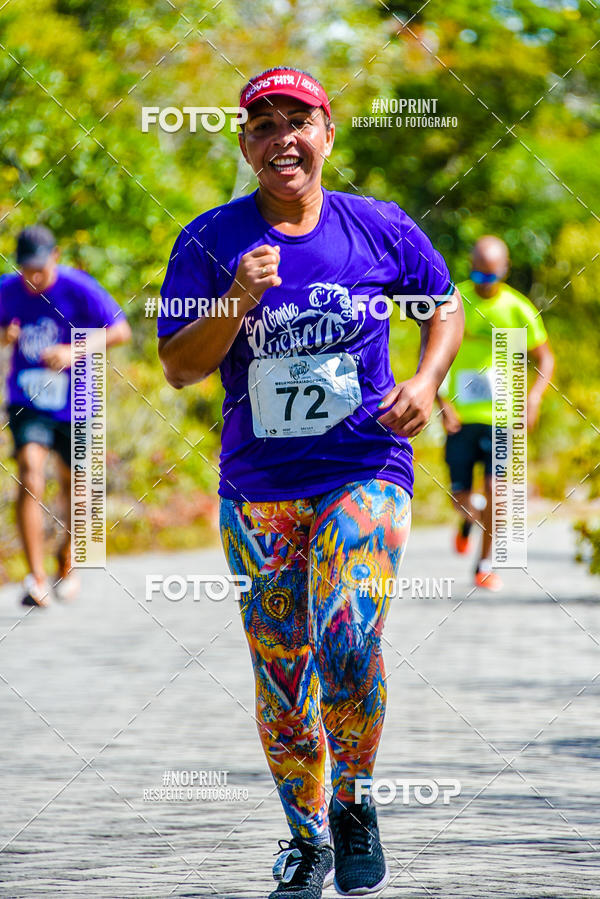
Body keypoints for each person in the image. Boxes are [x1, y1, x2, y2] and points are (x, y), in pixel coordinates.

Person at [157, 67, 463, 899]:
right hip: (259, 487)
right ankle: (306, 836)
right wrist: (234, 299)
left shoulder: (380, 228)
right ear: (245, 143)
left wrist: (429, 382)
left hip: (365, 465)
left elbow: (443, 302)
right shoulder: (211, 241)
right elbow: (179, 367)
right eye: (264, 125)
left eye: (299, 121)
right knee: (283, 672)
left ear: (328, 133)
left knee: (347, 635)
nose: (282, 139)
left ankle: (356, 798)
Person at [0, 225, 131, 606]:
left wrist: (75, 351)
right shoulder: (7, 289)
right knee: (29, 472)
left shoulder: (78, 287)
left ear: (55, 256)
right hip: (27, 399)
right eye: (26, 269)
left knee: (77, 487)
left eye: (40, 267)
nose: (34, 277)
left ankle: (68, 559)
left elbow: (120, 331)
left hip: (76, 400)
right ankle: (35, 577)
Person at [437, 235, 554, 592]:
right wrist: (441, 402)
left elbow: (545, 358)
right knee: (462, 497)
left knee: (497, 492)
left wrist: (533, 398)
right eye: (478, 276)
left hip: (502, 417)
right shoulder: (455, 299)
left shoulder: (517, 308)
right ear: (471, 269)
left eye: (492, 277)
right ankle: (468, 517)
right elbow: (432, 352)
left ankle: (484, 564)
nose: (484, 284)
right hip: (462, 415)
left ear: (504, 271)